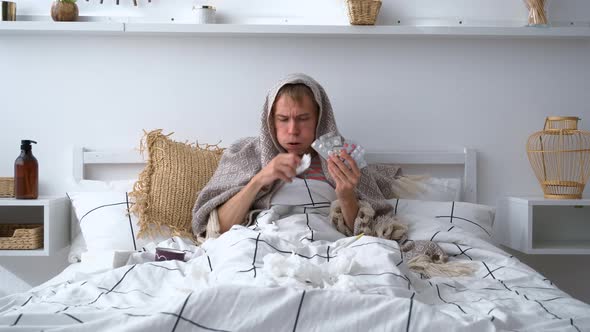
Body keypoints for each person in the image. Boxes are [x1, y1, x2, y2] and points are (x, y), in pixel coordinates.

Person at [192, 73, 404, 241]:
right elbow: (216, 230)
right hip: (263, 239)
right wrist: (260, 180)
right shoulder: (246, 153)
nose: (293, 130)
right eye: (283, 119)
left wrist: (346, 194)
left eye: (303, 119)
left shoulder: (343, 158)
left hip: (324, 240)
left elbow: (365, 234)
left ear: (320, 120)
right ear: (270, 121)